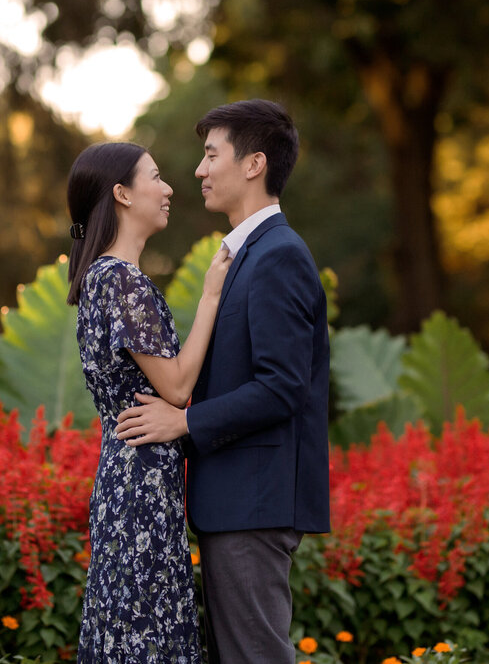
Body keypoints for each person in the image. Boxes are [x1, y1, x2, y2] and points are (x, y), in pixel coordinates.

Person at [115, 99, 331, 664]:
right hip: (237, 501)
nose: (198, 170)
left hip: (254, 503)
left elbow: (283, 387)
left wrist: (183, 420)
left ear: (254, 164)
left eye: (211, 155)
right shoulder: (246, 256)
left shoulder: (278, 255)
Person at [66, 141, 231, 664]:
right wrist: (209, 297)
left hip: (125, 475)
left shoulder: (99, 279)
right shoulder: (120, 281)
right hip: (140, 483)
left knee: (127, 630)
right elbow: (178, 387)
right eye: (155, 178)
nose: (168, 189)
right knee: (148, 634)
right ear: (121, 194)